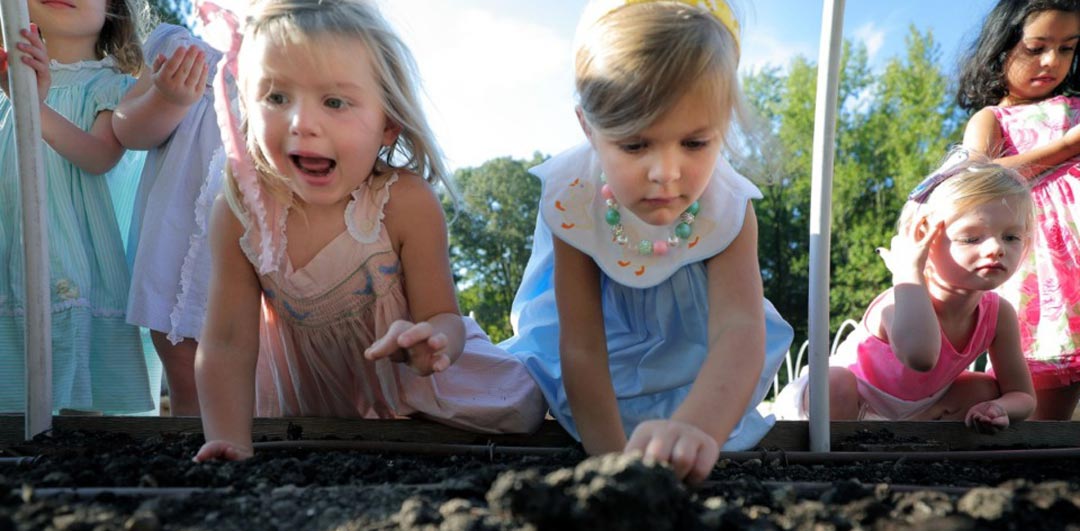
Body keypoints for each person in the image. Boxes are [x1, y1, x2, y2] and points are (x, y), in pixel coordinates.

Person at [193, 0, 546, 462]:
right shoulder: (242, 212)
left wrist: (433, 343)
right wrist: (229, 441)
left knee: (524, 411)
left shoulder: (404, 202)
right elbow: (226, 342)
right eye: (276, 97)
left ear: (388, 124)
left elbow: (443, 315)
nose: (303, 123)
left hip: (423, 393)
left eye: (335, 101)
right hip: (315, 403)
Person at [501, 0, 794, 484]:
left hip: (700, 367)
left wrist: (696, 428)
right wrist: (613, 470)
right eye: (636, 145)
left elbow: (737, 332)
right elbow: (582, 348)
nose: (666, 173)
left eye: (696, 143)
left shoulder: (728, 207)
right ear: (589, 129)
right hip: (606, 364)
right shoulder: (574, 201)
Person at [775, 153, 1037, 432]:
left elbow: (1023, 397)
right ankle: (843, 458)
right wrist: (908, 270)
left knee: (984, 389)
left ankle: (907, 438)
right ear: (924, 240)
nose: (997, 248)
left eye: (1011, 237)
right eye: (971, 238)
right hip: (843, 404)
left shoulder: (998, 314)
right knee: (834, 383)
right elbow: (920, 357)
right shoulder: (897, 300)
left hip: (918, 409)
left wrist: (999, 408)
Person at [0, 0, 158, 413]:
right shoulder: (4, 83)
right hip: (10, 253)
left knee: (77, 416)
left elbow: (99, 156)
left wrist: (32, 106)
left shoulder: (112, 86)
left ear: (113, 9)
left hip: (79, 262)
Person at [957, 0, 1080, 420]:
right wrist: (1067, 146)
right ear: (1002, 48)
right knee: (1046, 410)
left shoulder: (1075, 108)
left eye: (1067, 49)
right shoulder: (993, 120)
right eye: (1036, 47)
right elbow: (975, 178)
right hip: (1043, 273)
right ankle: (1039, 478)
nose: (1052, 61)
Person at [112, 24, 218, 417]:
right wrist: (167, 99)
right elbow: (126, 129)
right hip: (183, 232)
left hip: (260, 229)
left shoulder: (307, 56)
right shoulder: (181, 47)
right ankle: (194, 456)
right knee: (185, 363)